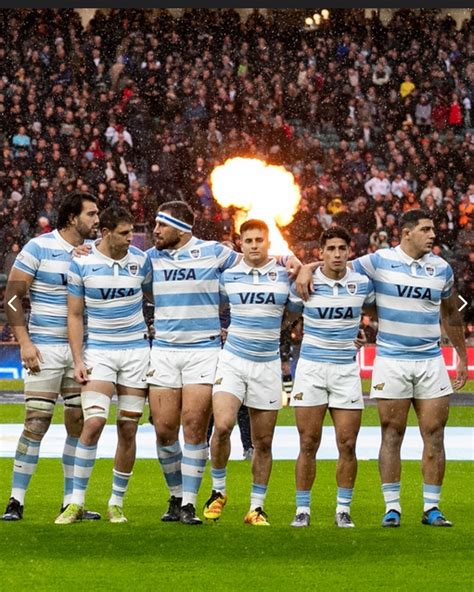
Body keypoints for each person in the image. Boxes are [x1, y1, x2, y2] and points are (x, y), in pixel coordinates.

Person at [296, 210, 467, 527]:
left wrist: (459, 355)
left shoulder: (441, 268)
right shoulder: (377, 261)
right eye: (426, 230)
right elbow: (337, 265)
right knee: (392, 433)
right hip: (390, 359)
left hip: (431, 358)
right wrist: (307, 267)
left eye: (433, 230)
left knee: (435, 433)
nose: (433, 235)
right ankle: (393, 507)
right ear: (406, 233)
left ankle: (432, 507)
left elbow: (452, 312)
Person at [147, 202, 300, 525]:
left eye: (161, 225)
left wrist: (297, 261)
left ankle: (193, 502)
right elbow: (116, 259)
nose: (154, 231)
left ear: (180, 227)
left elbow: (295, 296)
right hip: (168, 351)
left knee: (200, 427)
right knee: (165, 429)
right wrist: (83, 250)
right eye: (248, 241)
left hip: (208, 351)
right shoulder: (150, 258)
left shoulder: (217, 255)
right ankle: (182, 495)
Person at [2, 191, 101, 521]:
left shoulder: (94, 253)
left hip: (81, 352)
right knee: (36, 422)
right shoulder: (38, 247)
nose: (96, 220)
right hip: (43, 348)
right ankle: (16, 501)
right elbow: (13, 299)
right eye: (91, 214)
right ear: (73, 217)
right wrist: (25, 343)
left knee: (79, 424)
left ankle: (72, 502)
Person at [55, 207, 153, 524]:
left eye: (131, 232)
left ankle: (116, 502)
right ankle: (76, 502)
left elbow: (159, 298)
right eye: (124, 233)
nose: (130, 238)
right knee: (94, 423)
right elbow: (74, 315)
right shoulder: (81, 262)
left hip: (137, 353)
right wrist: (78, 359)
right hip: (99, 351)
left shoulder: (141, 261)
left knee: (128, 427)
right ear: (106, 231)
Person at [203, 219, 291, 526]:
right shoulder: (228, 276)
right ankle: (218, 491)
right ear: (241, 244)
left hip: (266, 365)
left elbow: (294, 312)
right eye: (248, 240)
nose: (254, 245)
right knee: (223, 426)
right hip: (233, 361)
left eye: (259, 240)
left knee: (262, 442)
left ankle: (256, 507)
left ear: (269, 243)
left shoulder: (283, 276)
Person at [286, 227, 375, 528]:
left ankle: (343, 509)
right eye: (331, 249)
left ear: (349, 252)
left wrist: (362, 334)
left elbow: (377, 311)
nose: (337, 254)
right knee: (308, 442)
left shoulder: (361, 284)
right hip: (311, 369)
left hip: (346, 371)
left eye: (342, 249)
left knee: (347, 444)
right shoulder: (306, 284)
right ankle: (302, 510)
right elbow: (286, 318)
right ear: (321, 252)